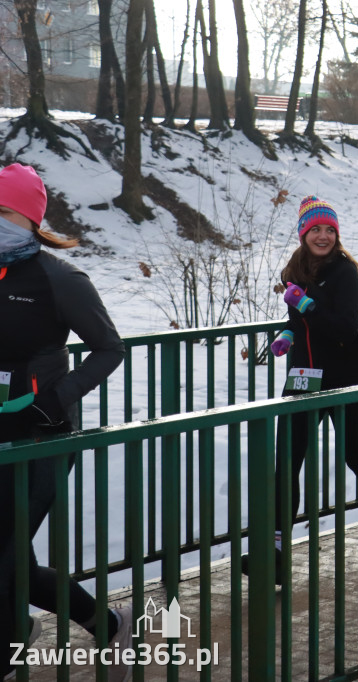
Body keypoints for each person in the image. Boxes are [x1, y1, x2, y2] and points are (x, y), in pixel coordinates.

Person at [0, 163, 130, 681]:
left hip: (43, 437)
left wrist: (58, 400)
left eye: (4, 212)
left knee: (7, 556)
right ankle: (108, 622)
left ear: (29, 220)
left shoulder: (59, 277)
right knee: (14, 561)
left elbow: (108, 348)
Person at [241, 196, 358, 581]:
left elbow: (346, 329)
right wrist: (286, 332)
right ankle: (276, 553)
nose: (323, 236)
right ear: (303, 234)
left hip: (347, 377)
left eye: (330, 230)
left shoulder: (347, 274)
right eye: (315, 229)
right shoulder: (296, 269)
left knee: (354, 456)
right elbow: (298, 319)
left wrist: (308, 306)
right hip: (303, 377)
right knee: (287, 463)